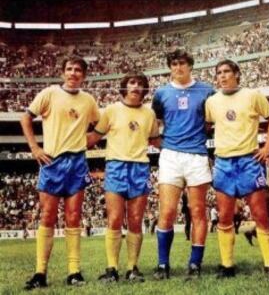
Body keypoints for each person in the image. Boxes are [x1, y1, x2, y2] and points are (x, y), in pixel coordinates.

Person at [21, 56, 100, 290]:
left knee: (74, 217)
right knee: (48, 216)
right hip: (52, 161)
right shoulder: (49, 93)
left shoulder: (88, 100)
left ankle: (74, 271)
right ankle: (40, 273)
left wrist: (89, 140)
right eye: (69, 69)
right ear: (63, 72)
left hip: (77, 162)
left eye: (78, 70)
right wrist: (35, 148)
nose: (73, 73)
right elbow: (26, 117)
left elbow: (100, 125)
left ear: (83, 75)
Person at [205, 59, 269, 278]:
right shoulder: (212, 102)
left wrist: (267, 147)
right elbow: (206, 126)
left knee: (260, 214)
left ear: (237, 74)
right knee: (225, 216)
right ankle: (227, 266)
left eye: (227, 71)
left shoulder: (252, 95)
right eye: (218, 73)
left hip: (249, 161)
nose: (222, 76)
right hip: (224, 162)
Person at [87, 72, 160, 283]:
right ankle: (111, 268)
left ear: (144, 90)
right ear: (125, 87)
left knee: (136, 220)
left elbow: (156, 141)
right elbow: (94, 137)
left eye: (140, 84)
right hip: (116, 166)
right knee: (115, 219)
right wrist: (67, 140)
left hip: (140, 168)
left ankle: (132, 268)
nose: (136, 87)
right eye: (132, 83)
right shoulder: (111, 110)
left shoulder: (149, 114)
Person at [151, 49, 214, 280]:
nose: (178, 68)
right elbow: (155, 123)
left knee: (197, 211)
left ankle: (195, 264)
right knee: (166, 211)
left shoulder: (207, 90)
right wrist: (168, 146)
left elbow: (210, 122)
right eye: (174, 64)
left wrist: (192, 140)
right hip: (170, 156)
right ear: (170, 67)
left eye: (182, 63)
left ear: (190, 66)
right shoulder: (161, 93)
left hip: (196, 156)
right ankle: (162, 265)